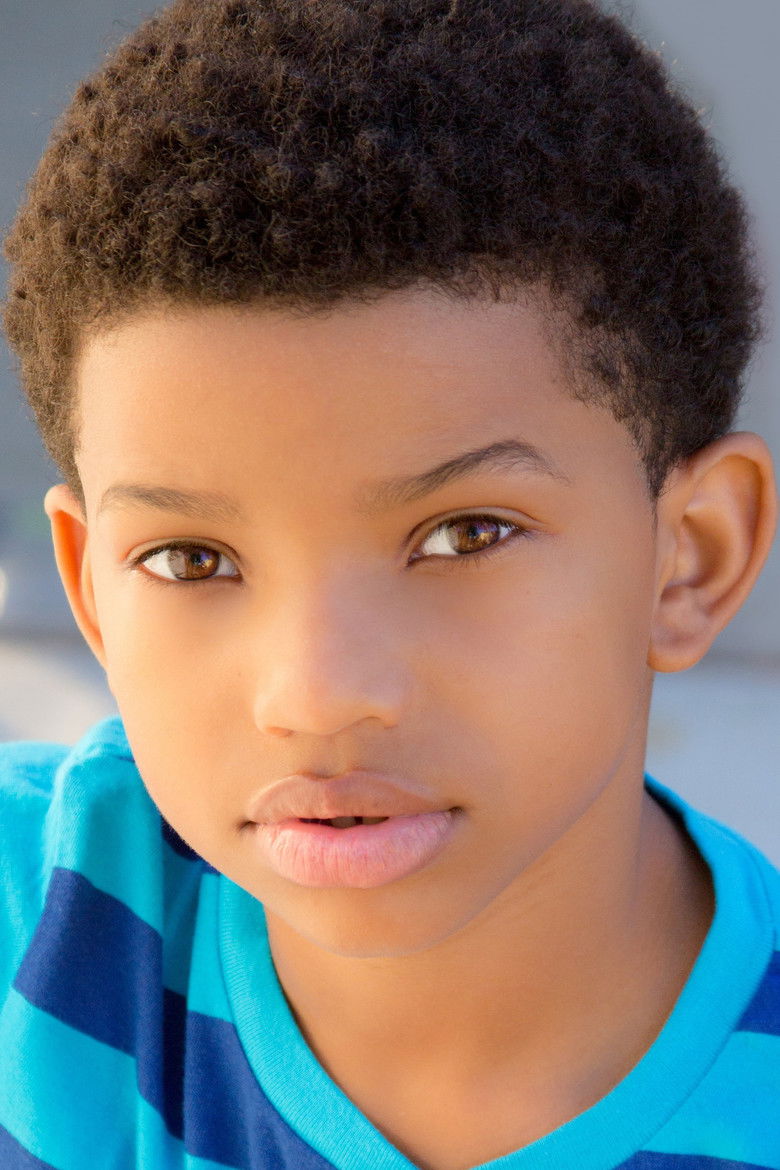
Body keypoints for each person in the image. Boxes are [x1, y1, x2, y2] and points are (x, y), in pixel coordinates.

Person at [1, 0, 778, 1167]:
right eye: (190, 560)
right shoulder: (32, 920)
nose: (316, 695)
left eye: (464, 534)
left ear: (692, 556)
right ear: (91, 591)